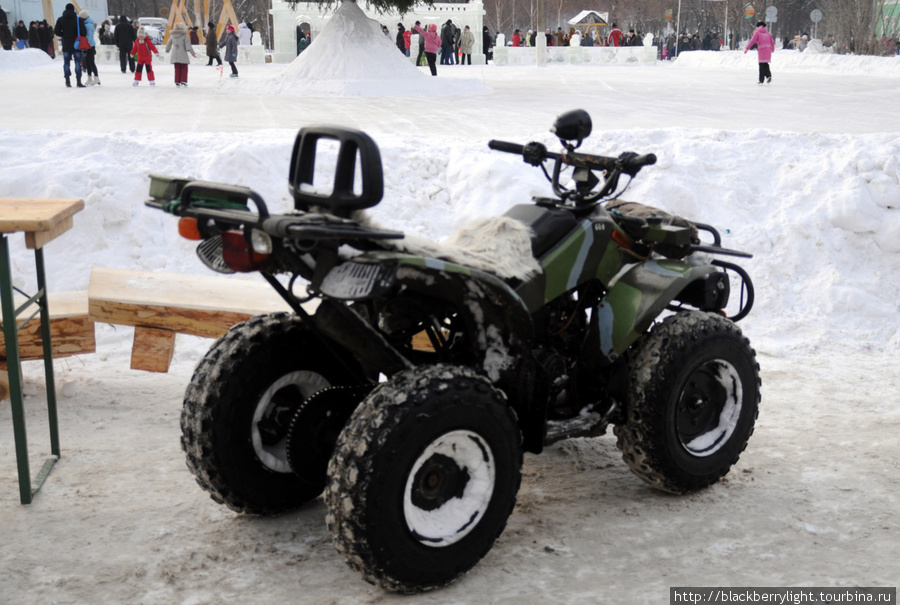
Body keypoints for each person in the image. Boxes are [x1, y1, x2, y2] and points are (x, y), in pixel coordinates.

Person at [54, 3, 86, 87]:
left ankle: (67, 81)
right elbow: (84, 32)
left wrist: (63, 34)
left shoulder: (60, 19)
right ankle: (78, 81)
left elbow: (56, 31)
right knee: (77, 63)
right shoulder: (78, 20)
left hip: (66, 44)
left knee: (66, 63)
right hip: (76, 44)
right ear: (73, 10)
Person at [166, 22, 196, 87]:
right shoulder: (184, 35)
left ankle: (177, 81)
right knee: (184, 66)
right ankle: (183, 81)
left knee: (177, 67)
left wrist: (167, 50)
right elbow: (188, 44)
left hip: (175, 52)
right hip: (182, 52)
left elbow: (169, 43)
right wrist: (192, 52)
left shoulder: (172, 34)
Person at [78, 10, 100, 86]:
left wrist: (87, 46)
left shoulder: (88, 25)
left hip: (89, 46)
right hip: (88, 45)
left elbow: (89, 37)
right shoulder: (86, 24)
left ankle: (96, 77)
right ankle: (89, 77)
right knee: (87, 62)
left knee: (91, 62)